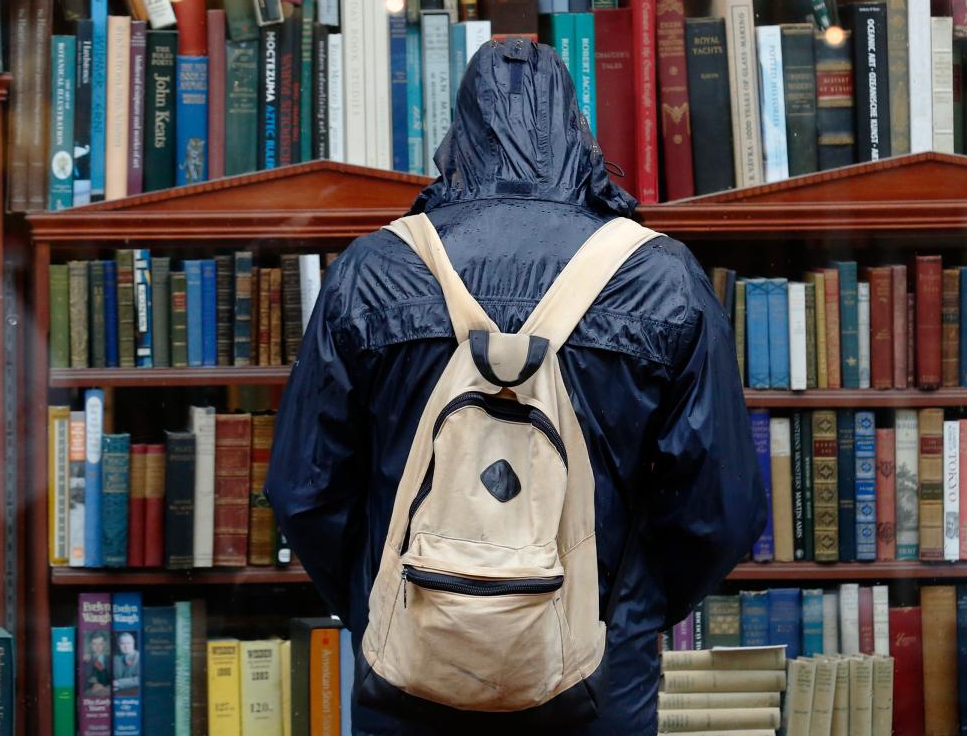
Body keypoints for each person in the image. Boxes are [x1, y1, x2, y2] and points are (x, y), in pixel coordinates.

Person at [267, 37, 765, 734]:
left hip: (410, 677)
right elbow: (722, 510)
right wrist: (624, 611)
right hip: (594, 683)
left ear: (457, 134)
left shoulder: (374, 271)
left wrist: (394, 601)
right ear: (576, 128)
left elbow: (304, 490)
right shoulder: (660, 278)